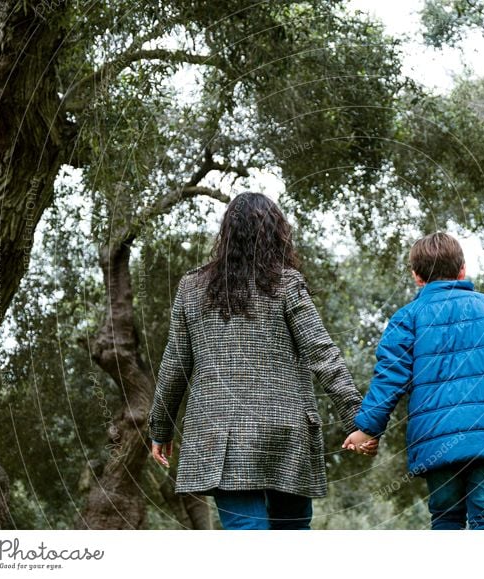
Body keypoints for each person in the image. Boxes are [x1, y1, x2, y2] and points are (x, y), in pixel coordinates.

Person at [147, 192, 376, 530]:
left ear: (226, 233)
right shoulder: (286, 282)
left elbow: (174, 364)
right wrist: (359, 421)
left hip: (220, 435)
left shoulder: (191, 288)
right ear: (277, 232)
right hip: (285, 432)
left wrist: (160, 428)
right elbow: (321, 353)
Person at [343, 232, 484, 530]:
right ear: (462, 270)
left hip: (437, 441)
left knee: (446, 520)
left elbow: (389, 378)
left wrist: (368, 429)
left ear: (416, 277)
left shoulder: (406, 318)